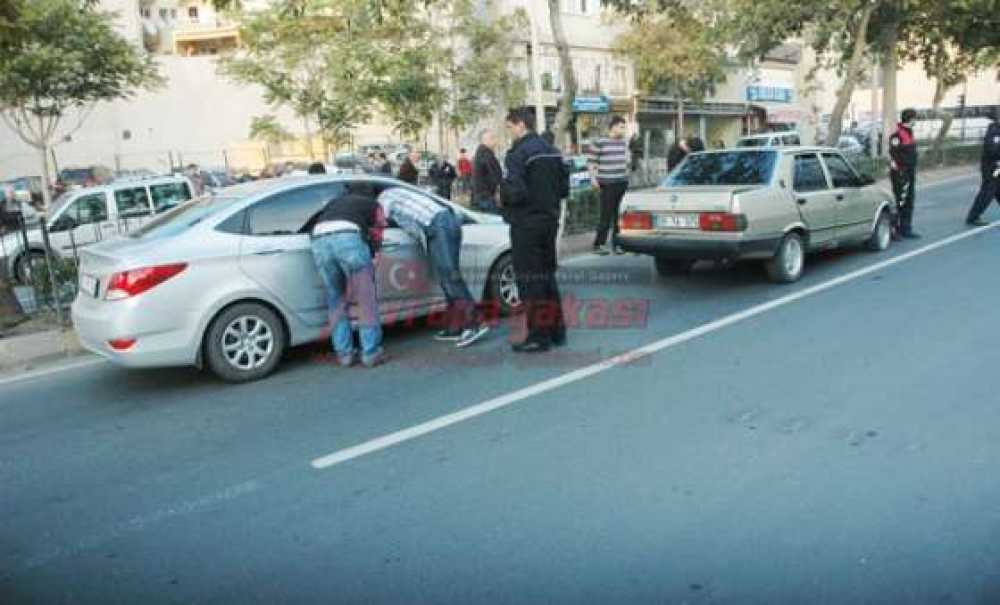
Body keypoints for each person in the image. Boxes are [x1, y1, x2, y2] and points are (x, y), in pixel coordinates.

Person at [377, 186, 491, 348]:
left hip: (438, 225)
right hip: (440, 224)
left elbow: (382, 221)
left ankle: (475, 323)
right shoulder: (401, 194)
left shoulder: (384, 197)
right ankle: (455, 327)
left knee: (450, 276)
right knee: (446, 278)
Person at [500, 107, 570, 353]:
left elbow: (515, 192)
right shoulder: (552, 151)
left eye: (509, 127)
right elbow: (564, 189)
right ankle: (557, 331)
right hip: (549, 222)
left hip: (526, 225)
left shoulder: (517, 154)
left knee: (530, 281)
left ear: (520, 125)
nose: (509, 132)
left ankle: (538, 337)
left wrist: (503, 196)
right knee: (547, 276)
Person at [309, 186, 388, 368]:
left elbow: (313, 222)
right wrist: (375, 252)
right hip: (348, 238)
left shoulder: (334, 203)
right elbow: (379, 228)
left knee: (336, 299)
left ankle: (344, 355)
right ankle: (370, 353)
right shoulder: (374, 204)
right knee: (365, 298)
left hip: (319, 240)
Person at [587, 115, 631, 255]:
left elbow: (626, 160)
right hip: (607, 183)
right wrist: (593, 179)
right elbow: (591, 162)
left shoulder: (623, 142)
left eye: (624, 127)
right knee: (605, 216)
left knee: (619, 216)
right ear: (613, 127)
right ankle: (598, 244)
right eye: (621, 127)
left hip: (621, 182)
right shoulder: (600, 142)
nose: (623, 130)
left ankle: (617, 244)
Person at [889, 108, 921, 239]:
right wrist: (901, 173)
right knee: (899, 202)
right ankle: (894, 230)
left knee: (909, 201)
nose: (916, 121)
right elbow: (894, 156)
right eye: (915, 118)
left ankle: (906, 228)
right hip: (901, 174)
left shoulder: (909, 133)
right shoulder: (897, 135)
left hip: (910, 172)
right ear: (911, 119)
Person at [965, 112, 1000, 227]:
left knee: (996, 190)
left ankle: (973, 216)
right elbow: (992, 150)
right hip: (992, 167)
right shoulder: (994, 131)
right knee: (987, 192)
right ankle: (973, 217)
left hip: (996, 166)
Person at [472, 129, 503, 214]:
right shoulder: (485, 154)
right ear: (484, 140)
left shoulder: (482, 153)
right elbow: (495, 177)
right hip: (487, 197)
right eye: (492, 138)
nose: (495, 141)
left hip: (483, 196)